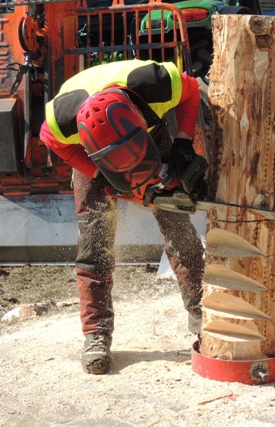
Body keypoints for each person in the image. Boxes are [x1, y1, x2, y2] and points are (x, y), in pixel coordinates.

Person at [39, 59, 206, 375]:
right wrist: (98, 175)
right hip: (94, 153)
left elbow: (191, 89)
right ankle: (96, 333)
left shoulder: (156, 82)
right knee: (95, 240)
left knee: (176, 223)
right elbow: (49, 140)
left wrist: (183, 141)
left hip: (149, 135)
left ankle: (201, 313)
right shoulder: (61, 120)